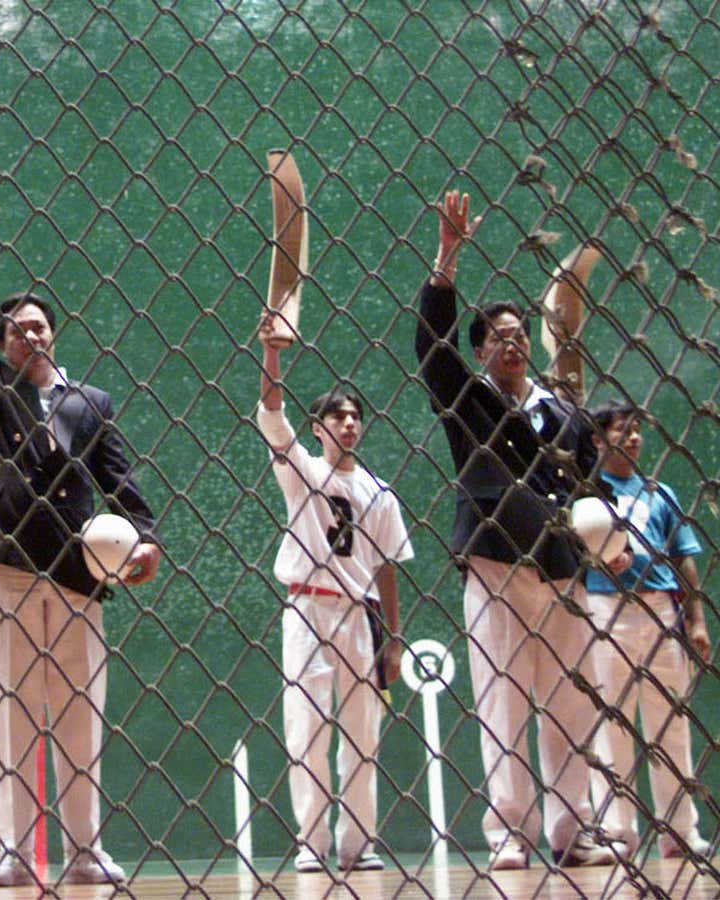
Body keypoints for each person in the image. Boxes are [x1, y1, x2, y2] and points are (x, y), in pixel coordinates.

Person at [0, 173, 162, 887]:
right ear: (2, 342)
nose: (28, 333)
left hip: (76, 571)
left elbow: (121, 480)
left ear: (52, 335)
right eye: (15, 328)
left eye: (39, 325)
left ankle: (86, 851)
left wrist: (145, 534)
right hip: (1, 567)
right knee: (4, 713)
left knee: (79, 717)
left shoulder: (89, 399)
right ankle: (9, 852)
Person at [413, 191, 625, 870]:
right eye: (498, 336)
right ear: (481, 352)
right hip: (498, 566)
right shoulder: (466, 399)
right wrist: (447, 258)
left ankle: (573, 833)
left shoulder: (566, 414)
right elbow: (430, 346)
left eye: (518, 333)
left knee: (570, 707)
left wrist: (611, 548)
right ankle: (509, 834)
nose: (511, 342)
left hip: (564, 570)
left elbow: (593, 488)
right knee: (502, 705)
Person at [255, 314, 413, 873]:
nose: (348, 423)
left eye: (354, 417)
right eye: (336, 417)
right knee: (307, 731)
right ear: (318, 429)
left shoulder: (381, 494)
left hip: (361, 620)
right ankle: (311, 843)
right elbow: (272, 417)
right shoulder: (301, 470)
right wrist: (272, 354)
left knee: (362, 737)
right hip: (306, 611)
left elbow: (390, 568)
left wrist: (394, 641)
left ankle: (358, 844)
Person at [581, 402, 711, 858]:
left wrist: (696, 621)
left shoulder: (661, 492)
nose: (633, 438)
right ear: (598, 440)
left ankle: (681, 831)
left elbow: (684, 558)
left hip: (661, 612)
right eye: (622, 431)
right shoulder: (585, 494)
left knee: (671, 724)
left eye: (637, 431)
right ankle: (617, 833)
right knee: (611, 723)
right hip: (604, 610)